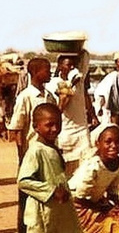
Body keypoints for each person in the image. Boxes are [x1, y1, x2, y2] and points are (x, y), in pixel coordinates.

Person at [7, 58, 57, 233]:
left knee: (46, 196)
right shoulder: (26, 97)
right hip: (31, 154)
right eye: (47, 70)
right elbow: (17, 127)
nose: (50, 73)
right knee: (27, 198)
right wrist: (22, 155)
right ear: (35, 73)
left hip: (48, 154)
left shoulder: (49, 96)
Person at [17, 103, 82, 232]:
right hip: (43, 213)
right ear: (36, 126)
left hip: (60, 210)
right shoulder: (36, 151)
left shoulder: (53, 147)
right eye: (49, 125)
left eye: (58, 124)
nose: (55, 129)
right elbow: (23, 182)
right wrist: (52, 191)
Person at [68, 124, 119, 233]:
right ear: (98, 144)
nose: (113, 146)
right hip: (75, 206)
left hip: (93, 204)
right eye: (108, 142)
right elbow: (79, 198)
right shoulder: (93, 167)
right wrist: (103, 208)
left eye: (118, 142)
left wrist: (117, 208)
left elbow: (113, 192)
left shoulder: (118, 165)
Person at [46, 52, 94, 177]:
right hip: (65, 132)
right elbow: (55, 111)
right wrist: (63, 99)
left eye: (74, 65)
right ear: (60, 66)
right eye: (68, 65)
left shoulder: (79, 80)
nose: (72, 68)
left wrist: (74, 47)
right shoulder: (53, 84)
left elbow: (85, 56)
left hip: (81, 131)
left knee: (85, 171)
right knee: (65, 172)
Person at [94, 52, 119, 125]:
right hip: (112, 109)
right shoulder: (111, 77)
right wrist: (99, 107)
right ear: (116, 63)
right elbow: (101, 93)